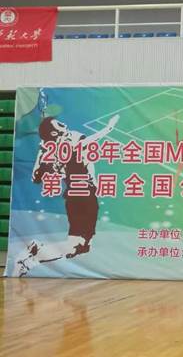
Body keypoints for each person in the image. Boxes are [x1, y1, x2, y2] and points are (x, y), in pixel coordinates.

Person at [12, 114, 119, 277]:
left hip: (78, 196)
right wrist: (109, 127)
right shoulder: (69, 142)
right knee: (76, 246)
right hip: (82, 196)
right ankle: (31, 258)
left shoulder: (54, 148)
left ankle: (36, 251)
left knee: (83, 246)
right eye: (59, 124)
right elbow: (91, 140)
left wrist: (42, 154)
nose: (64, 124)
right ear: (54, 133)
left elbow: (35, 177)